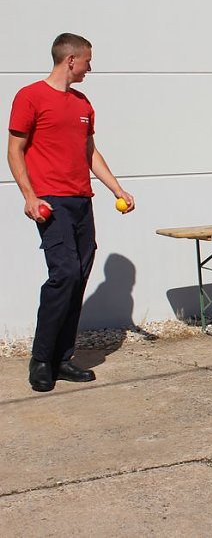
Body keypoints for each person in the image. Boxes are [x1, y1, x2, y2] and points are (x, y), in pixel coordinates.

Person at [7, 33, 135, 392]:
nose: (90, 68)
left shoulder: (82, 104)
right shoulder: (30, 97)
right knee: (62, 274)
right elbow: (14, 151)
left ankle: (63, 359)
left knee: (78, 277)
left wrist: (117, 189)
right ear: (71, 60)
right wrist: (29, 196)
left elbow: (90, 153)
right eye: (88, 61)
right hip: (51, 201)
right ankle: (41, 359)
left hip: (82, 200)